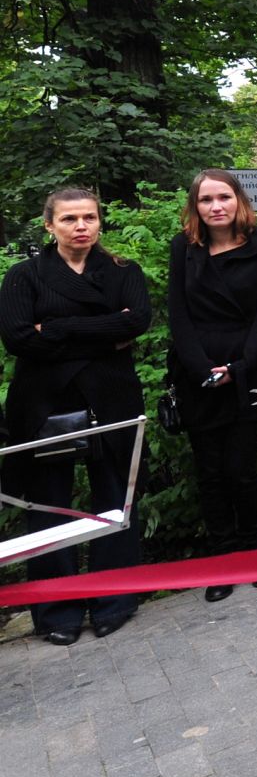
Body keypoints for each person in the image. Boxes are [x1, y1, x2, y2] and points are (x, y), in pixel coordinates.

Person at [0, 189, 151, 644]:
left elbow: (137, 321)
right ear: (49, 225)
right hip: (44, 402)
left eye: (89, 217)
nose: (81, 226)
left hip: (112, 398)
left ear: (99, 223)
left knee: (115, 502)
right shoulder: (24, 277)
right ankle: (57, 612)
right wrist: (107, 332)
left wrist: (59, 329)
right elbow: (19, 337)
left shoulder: (124, 272)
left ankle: (115, 599)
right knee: (48, 506)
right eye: (69, 219)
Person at [167, 169, 257, 603]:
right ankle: (223, 561)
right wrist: (202, 367)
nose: (215, 206)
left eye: (223, 197)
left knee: (241, 470)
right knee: (210, 474)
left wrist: (239, 365)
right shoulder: (184, 248)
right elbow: (177, 315)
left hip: (249, 371)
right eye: (205, 200)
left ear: (239, 200)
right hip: (197, 372)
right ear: (195, 207)